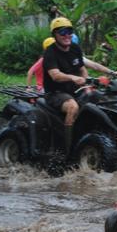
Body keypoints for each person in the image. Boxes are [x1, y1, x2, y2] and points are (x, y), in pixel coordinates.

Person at [42, 16, 88, 155]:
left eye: (69, 31)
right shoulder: (50, 52)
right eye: (62, 32)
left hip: (74, 90)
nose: (67, 35)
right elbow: (55, 75)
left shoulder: (75, 48)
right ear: (55, 35)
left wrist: (85, 80)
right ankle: (66, 148)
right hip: (55, 93)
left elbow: (82, 68)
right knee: (73, 107)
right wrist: (73, 78)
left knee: (97, 98)